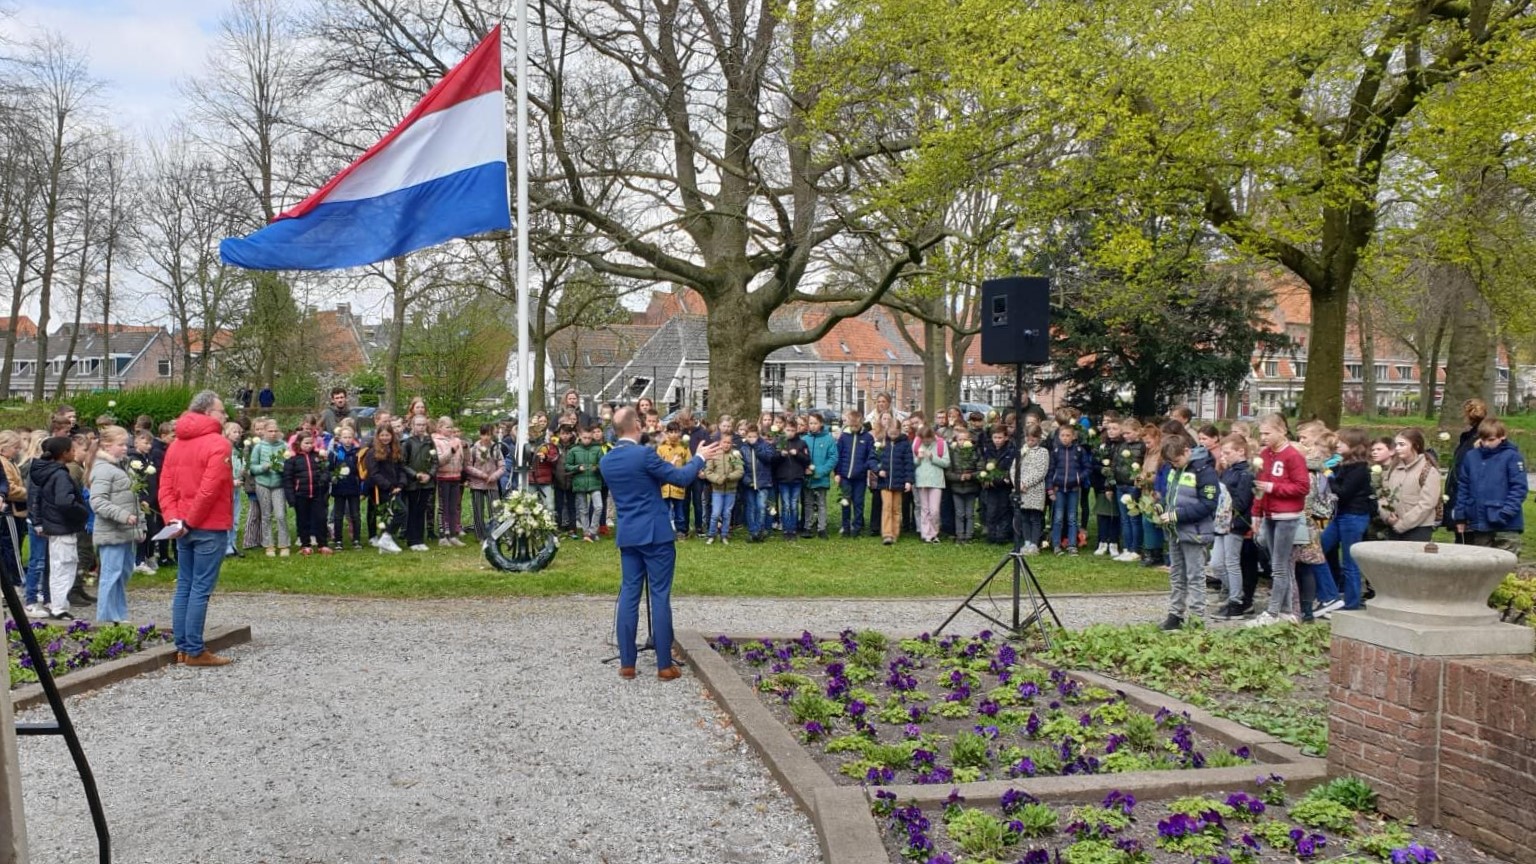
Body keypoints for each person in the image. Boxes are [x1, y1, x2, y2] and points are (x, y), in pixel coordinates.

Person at [601, 407, 725, 680]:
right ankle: (663, 665)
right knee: (659, 596)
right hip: (656, 534)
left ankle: (627, 663)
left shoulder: (606, 461)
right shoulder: (645, 454)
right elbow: (680, 478)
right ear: (635, 425)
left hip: (628, 534)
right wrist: (701, 457)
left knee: (629, 595)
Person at [159, 390, 235, 666]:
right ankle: (194, 649)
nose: (225, 416)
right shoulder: (219, 444)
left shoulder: (176, 444)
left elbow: (165, 486)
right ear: (207, 413)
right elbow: (209, 489)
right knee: (200, 588)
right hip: (208, 524)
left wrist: (174, 519)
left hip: (181, 525)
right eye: (221, 411)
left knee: (185, 586)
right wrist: (189, 520)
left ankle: (183, 646)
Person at [1248, 414, 1310, 627]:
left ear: (1282, 431)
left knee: (1280, 566)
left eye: (1267, 433)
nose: (1263, 437)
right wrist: (1256, 513)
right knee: (1277, 564)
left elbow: (1303, 487)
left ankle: (1273, 612)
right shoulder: (1265, 454)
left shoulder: (1293, 456)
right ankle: (1285, 611)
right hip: (1269, 513)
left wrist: (1274, 488)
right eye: (1262, 433)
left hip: (1287, 516)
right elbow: (1259, 486)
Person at [1158, 435, 1218, 630]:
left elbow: (1208, 504)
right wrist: (1162, 507)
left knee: (1195, 576)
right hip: (1175, 531)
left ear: (1187, 451)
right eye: (1170, 463)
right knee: (1176, 574)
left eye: (1176, 461)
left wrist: (1177, 515)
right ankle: (1175, 614)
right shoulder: (1174, 469)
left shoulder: (1204, 471)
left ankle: (1197, 618)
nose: (1174, 465)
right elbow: (1171, 495)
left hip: (1195, 532)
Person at [30, 436, 88, 620]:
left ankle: (57, 604)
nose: (74, 452)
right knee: (65, 567)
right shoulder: (60, 475)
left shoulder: (48, 473)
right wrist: (82, 511)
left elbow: (39, 499)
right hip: (62, 527)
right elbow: (64, 502)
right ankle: (59, 606)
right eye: (71, 450)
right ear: (64, 453)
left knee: (58, 567)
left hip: (55, 526)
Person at [1451, 418, 1527, 555]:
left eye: (1491, 440)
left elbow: (1519, 488)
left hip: (1506, 523)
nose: (1486, 444)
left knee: (1506, 564)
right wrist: (1460, 516)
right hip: (1478, 521)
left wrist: (1506, 512)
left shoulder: (1512, 457)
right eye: (1483, 439)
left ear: (1502, 437)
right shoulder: (1471, 456)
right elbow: (1463, 487)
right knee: (1482, 565)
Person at [89, 426, 142, 623]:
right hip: (111, 532)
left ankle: (119, 615)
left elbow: (134, 500)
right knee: (110, 576)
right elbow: (97, 501)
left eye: (126, 444)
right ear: (106, 446)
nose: (125, 448)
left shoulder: (122, 466)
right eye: (120, 445)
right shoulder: (103, 469)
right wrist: (123, 515)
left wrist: (140, 527)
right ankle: (105, 619)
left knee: (123, 575)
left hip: (127, 532)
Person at [1321, 428, 1374, 613]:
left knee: (1350, 562)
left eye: (1342, 442)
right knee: (1318, 551)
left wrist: (1329, 476)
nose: (1337, 445)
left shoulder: (1359, 469)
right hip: (1340, 515)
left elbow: (1343, 492)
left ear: (1352, 446)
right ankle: (1330, 594)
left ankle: (1351, 603)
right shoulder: (1343, 465)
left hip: (1354, 516)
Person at [1214, 434, 1256, 619]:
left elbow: (1242, 501)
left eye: (1227, 452)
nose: (1224, 456)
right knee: (1216, 563)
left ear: (1241, 451)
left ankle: (1236, 601)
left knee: (1231, 562)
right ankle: (1238, 594)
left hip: (1235, 522)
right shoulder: (1228, 471)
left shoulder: (1246, 473)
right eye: (1222, 452)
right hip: (1221, 521)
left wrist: (1226, 509)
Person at [1380, 429, 1443, 542]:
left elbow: (1427, 504)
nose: (1397, 448)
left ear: (1416, 446)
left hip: (1418, 530)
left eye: (1402, 444)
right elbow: (1384, 495)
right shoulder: (1393, 469)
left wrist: (1402, 524)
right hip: (1393, 527)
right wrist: (1387, 516)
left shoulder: (1428, 471)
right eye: (1396, 445)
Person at [1442, 398, 1488, 541]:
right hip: (1464, 500)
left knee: (1467, 542)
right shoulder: (1470, 438)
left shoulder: (1477, 441)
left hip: (1467, 503)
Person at [284, 431, 333, 555]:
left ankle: (323, 544)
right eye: (306, 443)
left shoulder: (318, 456)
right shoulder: (292, 459)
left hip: (318, 493)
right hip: (301, 494)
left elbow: (326, 470)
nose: (309, 445)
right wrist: (291, 498)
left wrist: (324, 478)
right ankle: (305, 545)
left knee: (321, 519)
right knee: (303, 520)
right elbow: (288, 479)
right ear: (299, 443)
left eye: (311, 443)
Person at [868, 414, 914, 545]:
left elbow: (909, 464)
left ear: (899, 432)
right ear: (887, 431)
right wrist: (878, 469)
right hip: (885, 482)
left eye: (896, 433)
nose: (893, 436)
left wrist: (908, 481)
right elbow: (872, 459)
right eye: (891, 433)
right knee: (886, 507)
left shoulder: (905, 445)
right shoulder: (881, 443)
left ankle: (895, 532)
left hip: (899, 482)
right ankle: (887, 534)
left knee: (896, 508)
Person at [249, 419, 292, 557]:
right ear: (265, 432)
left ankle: (284, 544)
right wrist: (263, 467)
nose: (273, 434)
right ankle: (268, 545)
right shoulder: (259, 447)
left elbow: (290, 465)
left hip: (278, 484)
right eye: (270, 431)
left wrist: (281, 468)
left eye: (275, 431)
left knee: (280, 515)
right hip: (262, 483)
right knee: (266, 515)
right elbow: (252, 467)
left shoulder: (284, 446)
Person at [1047, 423, 1091, 555]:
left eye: (1068, 435)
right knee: (1058, 517)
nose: (1065, 438)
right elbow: (1050, 471)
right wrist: (1050, 489)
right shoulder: (1055, 451)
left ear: (1073, 437)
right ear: (1058, 436)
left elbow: (1087, 468)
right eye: (1062, 435)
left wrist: (1078, 478)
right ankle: (1056, 545)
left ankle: (1072, 544)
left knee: (1072, 518)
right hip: (1058, 489)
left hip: (1073, 489)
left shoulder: (1079, 451)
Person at [364, 424, 407, 553]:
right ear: (378, 436)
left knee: (392, 514)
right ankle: (386, 537)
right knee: (401, 511)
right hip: (382, 489)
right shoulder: (372, 452)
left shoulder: (395, 450)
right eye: (382, 435)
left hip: (396, 488)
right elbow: (374, 473)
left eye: (387, 435)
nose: (385, 438)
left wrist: (400, 484)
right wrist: (389, 486)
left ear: (392, 435)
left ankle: (386, 542)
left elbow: (401, 469)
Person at [1010, 425, 1049, 554]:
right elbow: (1013, 469)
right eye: (1028, 439)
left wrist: (1026, 483)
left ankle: (1034, 543)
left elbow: (1041, 472)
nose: (1030, 442)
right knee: (1024, 518)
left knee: (1035, 518)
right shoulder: (1022, 451)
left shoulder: (1043, 452)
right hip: (1021, 490)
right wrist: (1017, 484)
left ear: (1038, 438)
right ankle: (1026, 542)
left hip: (1035, 490)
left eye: (1033, 439)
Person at [835, 409, 875, 537]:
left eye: (856, 426)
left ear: (861, 423)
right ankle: (845, 526)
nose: (854, 428)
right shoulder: (844, 436)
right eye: (851, 426)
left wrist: (864, 468)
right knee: (845, 501)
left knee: (858, 502)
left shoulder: (868, 438)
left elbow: (871, 456)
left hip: (860, 477)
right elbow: (838, 455)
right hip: (845, 476)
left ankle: (857, 527)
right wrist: (837, 473)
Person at [402, 415, 438, 552]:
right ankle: (412, 540)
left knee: (422, 509)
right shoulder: (408, 443)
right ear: (412, 426)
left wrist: (430, 475)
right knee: (413, 510)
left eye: (423, 425)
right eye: (418, 424)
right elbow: (403, 463)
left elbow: (435, 461)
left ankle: (420, 539)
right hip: (413, 483)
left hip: (427, 482)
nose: (421, 427)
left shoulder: (430, 442)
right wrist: (415, 475)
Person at [702, 429, 744, 544]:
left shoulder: (735, 455)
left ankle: (724, 535)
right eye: (724, 442)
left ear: (732, 444)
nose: (726, 445)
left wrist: (729, 477)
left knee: (727, 513)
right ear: (720, 443)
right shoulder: (714, 454)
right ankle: (711, 534)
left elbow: (740, 471)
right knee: (715, 513)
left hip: (731, 490)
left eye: (729, 443)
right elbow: (708, 471)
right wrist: (717, 479)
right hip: (717, 490)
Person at [565, 425, 606, 543]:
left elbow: (602, 464)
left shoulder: (598, 449)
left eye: (589, 437)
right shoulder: (573, 450)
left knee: (598, 506)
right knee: (583, 510)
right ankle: (586, 532)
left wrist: (597, 468)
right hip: (579, 483)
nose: (587, 440)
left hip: (594, 482)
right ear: (580, 437)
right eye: (585, 437)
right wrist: (577, 468)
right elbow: (567, 466)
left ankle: (593, 531)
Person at [465, 424, 506, 541]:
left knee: (495, 510)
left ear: (492, 434)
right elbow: (468, 466)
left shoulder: (496, 449)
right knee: (478, 511)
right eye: (484, 434)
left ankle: (496, 533)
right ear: (480, 434)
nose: (486, 437)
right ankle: (480, 536)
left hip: (492, 484)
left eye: (488, 434)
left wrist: (494, 476)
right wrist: (481, 475)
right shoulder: (473, 449)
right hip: (477, 484)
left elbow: (502, 466)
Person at [912, 424, 950, 543]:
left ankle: (934, 533)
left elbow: (946, 463)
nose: (926, 441)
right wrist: (918, 458)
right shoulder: (916, 443)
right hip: (921, 480)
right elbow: (913, 463)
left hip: (936, 481)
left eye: (928, 439)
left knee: (934, 510)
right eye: (924, 439)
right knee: (924, 509)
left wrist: (933, 457)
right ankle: (926, 534)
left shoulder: (941, 444)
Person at [329, 425, 365, 550]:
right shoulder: (335, 452)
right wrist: (333, 477)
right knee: (338, 515)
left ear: (353, 438)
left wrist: (362, 488)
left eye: (350, 437)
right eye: (345, 437)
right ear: (340, 439)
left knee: (355, 515)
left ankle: (356, 539)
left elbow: (361, 471)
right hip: (339, 488)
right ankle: (338, 540)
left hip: (353, 488)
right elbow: (329, 469)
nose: (348, 440)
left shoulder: (358, 453)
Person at [432, 417, 466, 546]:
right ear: (439, 428)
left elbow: (462, 458)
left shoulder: (456, 440)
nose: (450, 430)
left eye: (451, 427)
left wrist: (464, 450)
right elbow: (439, 460)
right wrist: (451, 450)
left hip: (456, 477)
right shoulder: (436, 441)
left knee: (453, 507)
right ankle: (443, 535)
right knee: (443, 507)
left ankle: (453, 534)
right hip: (443, 477)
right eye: (447, 427)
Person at [946, 424, 982, 545]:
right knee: (959, 513)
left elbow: (980, 469)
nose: (962, 442)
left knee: (970, 513)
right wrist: (958, 477)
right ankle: (960, 535)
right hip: (957, 488)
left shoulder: (975, 452)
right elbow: (948, 472)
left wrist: (971, 476)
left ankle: (969, 535)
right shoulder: (952, 453)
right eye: (960, 439)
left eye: (965, 439)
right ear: (956, 440)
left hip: (971, 488)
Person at [803, 414, 838, 539]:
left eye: (815, 423)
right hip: (808, 478)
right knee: (808, 503)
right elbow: (801, 457)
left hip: (821, 477)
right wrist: (805, 469)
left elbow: (833, 458)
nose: (812, 425)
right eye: (811, 423)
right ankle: (807, 526)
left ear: (821, 424)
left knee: (821, 503)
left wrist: (821, 471)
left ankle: (822, 528)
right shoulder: (805, 439)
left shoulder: (828, 439)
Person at [656, 422, 692, 537]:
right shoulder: (661, 448)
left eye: (676, 432)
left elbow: (689, 463)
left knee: (679, 510)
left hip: (678, 484)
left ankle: (681, 531)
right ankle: (666, 531)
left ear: (680, 433)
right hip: (665, 485)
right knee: (665, 510)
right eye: (671, 432)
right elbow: (657, 464)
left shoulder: (683, 447)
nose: (673, 434)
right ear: (667, 433)